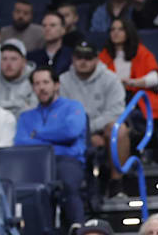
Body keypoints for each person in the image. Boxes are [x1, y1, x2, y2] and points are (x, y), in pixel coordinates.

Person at [15, 67, 87, 225]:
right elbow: (21, 142)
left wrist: (39, 134)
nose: (42, 87)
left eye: (46, 82)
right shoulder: (26, 116)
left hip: (66, 160)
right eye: (37, 83)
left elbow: (70, 132)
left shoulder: (73, 107)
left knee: (67, 183)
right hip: (34, 163)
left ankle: (77, 227)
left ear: (56, 85)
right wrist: (55, 141)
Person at [60, 41, 127, 197]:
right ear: (73, 59)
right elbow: (62, 112)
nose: (83, 62)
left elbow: (116, 111)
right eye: (79, 57)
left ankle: (116, 182)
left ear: (97, 59)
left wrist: (92, 130)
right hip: (74, 132)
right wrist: (87, 135)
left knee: (119, 129)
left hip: (102, 131)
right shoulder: (63, 81)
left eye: (88, 57)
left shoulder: (111, 79)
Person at [99, 19, 158, 123]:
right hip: (112, 99)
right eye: (113, 29)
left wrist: (133, 82)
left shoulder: (141, 52)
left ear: (128, 32)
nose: (115, 32)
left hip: (136, 97)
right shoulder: (104, 55)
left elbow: (154, 79)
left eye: (120, 29)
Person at [0, 40, 36, 116]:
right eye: (4, 59)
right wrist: (19, 105)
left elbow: (34, 112)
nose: (8, 64)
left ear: (24, 62)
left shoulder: (35, 80)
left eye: (13, 59)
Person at [27, 11, 74, 75]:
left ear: (63, 29)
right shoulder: (32, 57)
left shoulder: (72, 56)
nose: (47, 28)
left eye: (52, 25)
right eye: (44, 25)